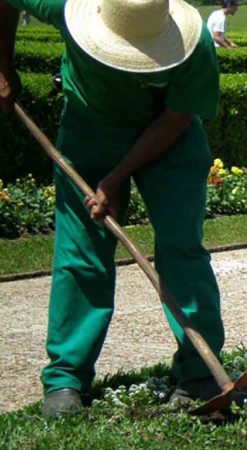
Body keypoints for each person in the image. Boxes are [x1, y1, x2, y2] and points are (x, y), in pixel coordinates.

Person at [0, 0, 226, 417]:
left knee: (182, 248)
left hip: (167, 136)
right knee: (81, 254)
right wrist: (3, 63)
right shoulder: (64, 7)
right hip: (90, 129)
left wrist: (116, 178)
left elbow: (177, 118)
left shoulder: (194, 45)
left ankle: (200, 373)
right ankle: (65, 379)